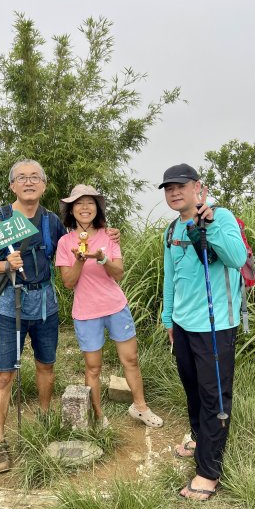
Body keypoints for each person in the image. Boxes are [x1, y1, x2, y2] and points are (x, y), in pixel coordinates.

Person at [0, 161, 119, 473]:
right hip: (8, 305)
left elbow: (78, 239)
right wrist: (5, 265)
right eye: (22, 178)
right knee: (4, 375)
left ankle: (42, 419)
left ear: (44, 184)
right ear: (12, 185)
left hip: (45, 304)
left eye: (35, 177)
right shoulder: (0, 219)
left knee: (46, 366)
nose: (29, 182)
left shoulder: (52, 221)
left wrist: (107, 234)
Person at [160, 163, 246, 500]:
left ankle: (208, 472)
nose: (174, 192)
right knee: (192, 388)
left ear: (199, 188)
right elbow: (170, 276)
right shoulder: (170, 230)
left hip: (215, 325)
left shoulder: (220, 217)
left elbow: (236, 258)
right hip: (182, 325)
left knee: (214, 396)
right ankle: (199, 436)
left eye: (180, 186)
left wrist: (208, 223)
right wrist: (168, 319)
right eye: (169, 188)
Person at [55, 184, 163, 429]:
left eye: (90, 203)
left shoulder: (109, 236)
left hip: (115, 306)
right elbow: (69, 282)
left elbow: (119, 273)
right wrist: (80, 260)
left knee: (131, 359)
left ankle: (140, 407)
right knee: (93, 367)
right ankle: (97, 416)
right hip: (86, 312)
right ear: (71, 210)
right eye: (79, 203)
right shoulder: (65, 242)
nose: (85, 207)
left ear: (97, 208)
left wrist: (102, 258)